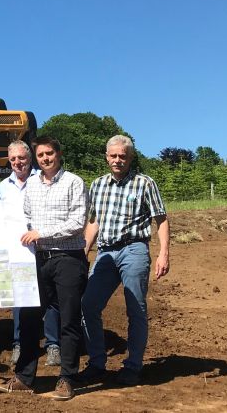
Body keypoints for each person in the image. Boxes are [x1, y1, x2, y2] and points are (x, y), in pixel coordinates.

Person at [0, 136, 87, 401]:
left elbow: (78, 222)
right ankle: (24, 377)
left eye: (49, 154)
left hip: (68, 258)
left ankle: (67, 378)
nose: (45, 158)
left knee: (68, 320)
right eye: (41, 155)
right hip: (37, 259)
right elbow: (24, 220)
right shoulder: (32, 185)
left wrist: (40, 233)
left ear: (58, 154)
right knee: (28, 318)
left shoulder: (74, 182)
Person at [79, 135, 170, 387]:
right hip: (105, 253)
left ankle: (133, 366)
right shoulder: (97, 185)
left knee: (135, 309)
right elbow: (94, 221)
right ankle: (96, 363)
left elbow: (160, 219)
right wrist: (84, 251)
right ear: (107, 157)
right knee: (88, 305)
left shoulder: (144, 183)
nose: (118, 160)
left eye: (123, 156)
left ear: (130, 157)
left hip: (134, 250)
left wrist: (164, 253)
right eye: (113, 156)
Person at [0, 140, 61, 367]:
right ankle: (19, 344)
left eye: (21, 158)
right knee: (19, 298)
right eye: (13, 159)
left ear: (30, 158)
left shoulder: (42, 179)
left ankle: (53, 345)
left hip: (43, 248)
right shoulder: (3, 187)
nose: (17, 163)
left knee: (50, 296)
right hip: (16, 251)